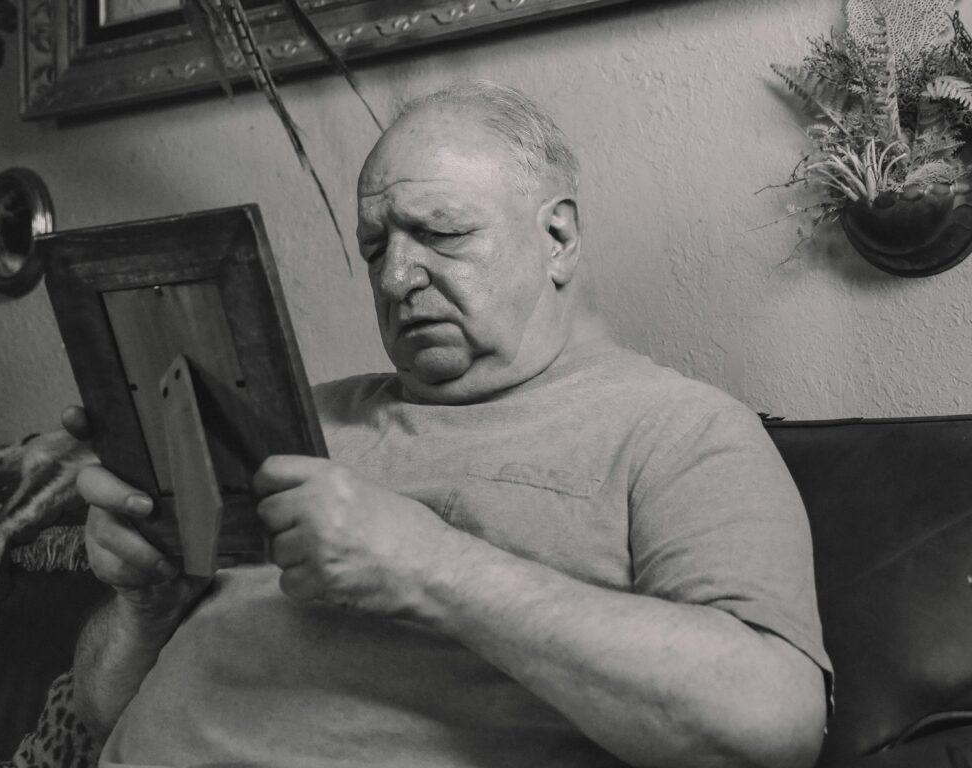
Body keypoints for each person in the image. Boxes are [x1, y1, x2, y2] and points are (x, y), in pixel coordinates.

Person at [69, 81, 831, 768]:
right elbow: (105, 715)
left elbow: (771, 724)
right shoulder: (283, 418)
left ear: (558, 238)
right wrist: (148, 600)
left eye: (440, 233)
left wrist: (428, 566)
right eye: (376, 247)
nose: (396, 277)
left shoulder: (679, 431)